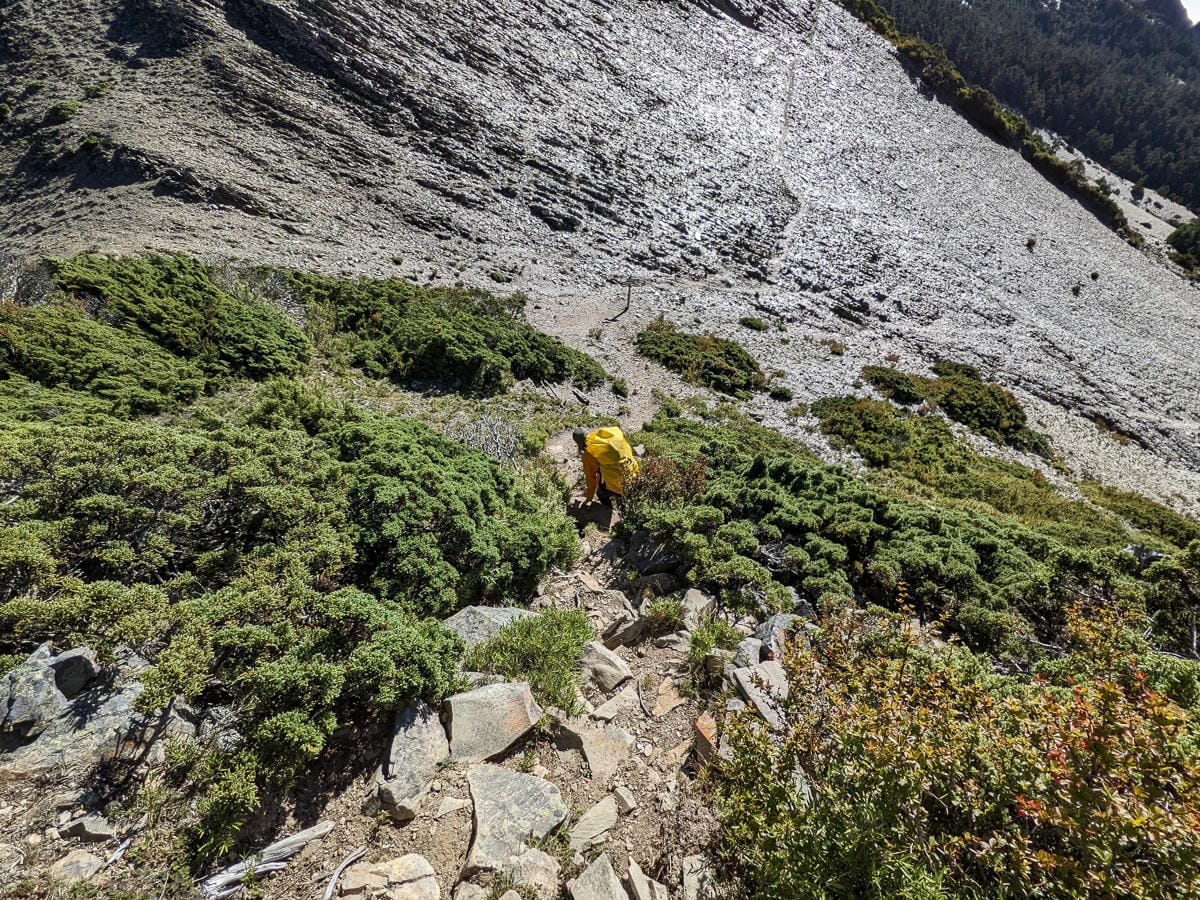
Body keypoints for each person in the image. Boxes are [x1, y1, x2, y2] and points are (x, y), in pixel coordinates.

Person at [573, 426, 639, 506]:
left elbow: (591, 478)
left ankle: (608, 510)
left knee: (601, 493)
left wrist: (589, 498)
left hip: (618, 483)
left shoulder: (589, 453)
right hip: (633, 473)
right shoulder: (604, 439)